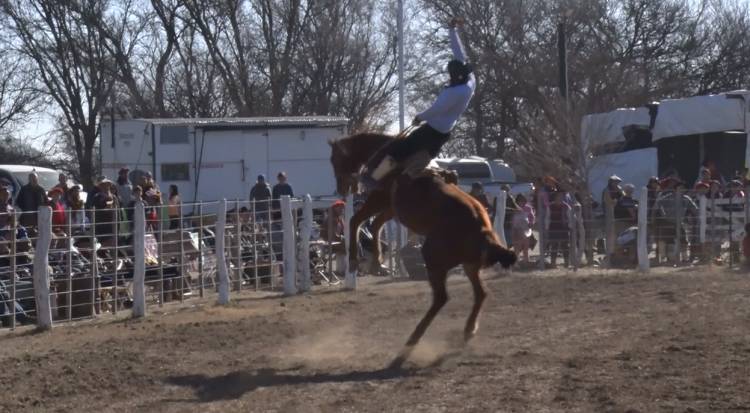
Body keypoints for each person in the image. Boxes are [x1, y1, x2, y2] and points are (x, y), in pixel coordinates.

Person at [360, 17, 474, 190]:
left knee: (399, 147)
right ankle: (417, 173)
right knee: (420, 156)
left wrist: (419, 117)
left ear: (455, 77)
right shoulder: (470, 81)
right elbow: (459, 53)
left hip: (432, 130)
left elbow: (437, 109)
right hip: (444, 134)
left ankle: (375, 178)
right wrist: (452, 30)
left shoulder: (454, 93)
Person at [547, 191, 571, 268]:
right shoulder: (550, 206)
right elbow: (547, 217)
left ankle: (566, 263)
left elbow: (570, 217)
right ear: (555, 197)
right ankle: (553, 263)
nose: (560, 198)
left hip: (564, 228)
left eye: (561, 196)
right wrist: (546, 227)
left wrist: (570, 227)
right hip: (553, 228)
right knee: (554, 246)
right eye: (558, 196)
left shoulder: (566, 206)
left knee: (565, 246)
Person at [511, 194, 535, 265]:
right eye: (519, 201)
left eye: (523, 201)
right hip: (516, 229)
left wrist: (531, 223)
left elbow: (532, 217)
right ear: (517, 202)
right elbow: (512, 219)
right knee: (517, 247)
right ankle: (516, 262)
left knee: (526, 246)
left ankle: (526, 261)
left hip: (526, 229)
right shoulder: (514, 209)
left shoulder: (528, 208)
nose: (521, 202)